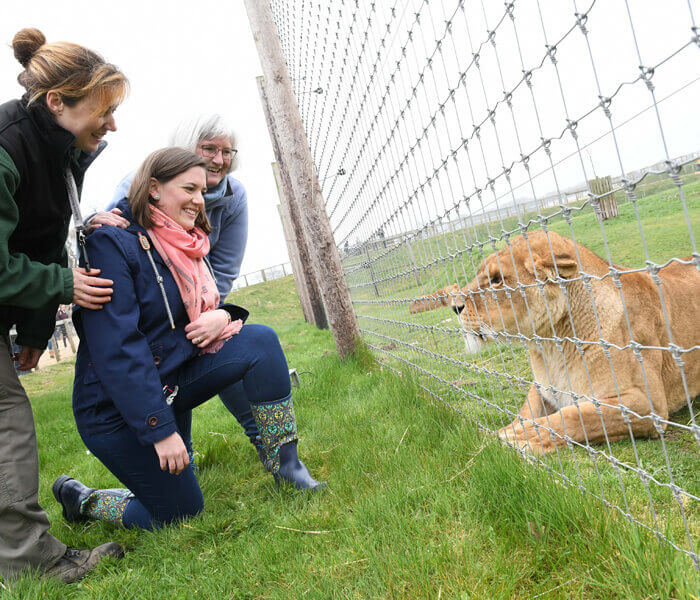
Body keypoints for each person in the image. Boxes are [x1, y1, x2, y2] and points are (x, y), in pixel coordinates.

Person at [52, 148, 325, 532]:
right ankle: (83, 500)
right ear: (153, 189)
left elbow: (189, 316)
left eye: (202, 191)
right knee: (179, 513)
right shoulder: (109, 243)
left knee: (260, 342)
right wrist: (160, 430)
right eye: (189, 188)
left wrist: (223, 315)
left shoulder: (183, 242)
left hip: (169, 375)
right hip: (113, 408)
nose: (199, 200)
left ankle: (287, 467)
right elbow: (118, 350)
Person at [0, 28, 128, 582]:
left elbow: (42, 236)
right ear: (57, 102)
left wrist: (32, 329)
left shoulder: (59, 150)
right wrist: (64, 286)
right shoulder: (6, 147)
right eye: (103, 110)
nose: (112, 124)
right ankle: (32, 563)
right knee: (8, 420)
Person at [91, 116, 267, 478]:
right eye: (209, 149)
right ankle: (178, 450)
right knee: (172, 350)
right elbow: (118, 236)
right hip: (157, 310)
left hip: (202, 296)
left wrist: (216, 315)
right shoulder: (140, 182)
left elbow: (225, 265)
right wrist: (97, 219)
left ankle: (269, 444)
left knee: (227, 344)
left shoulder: (234, 197)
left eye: (226, 151)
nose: (219, 159)